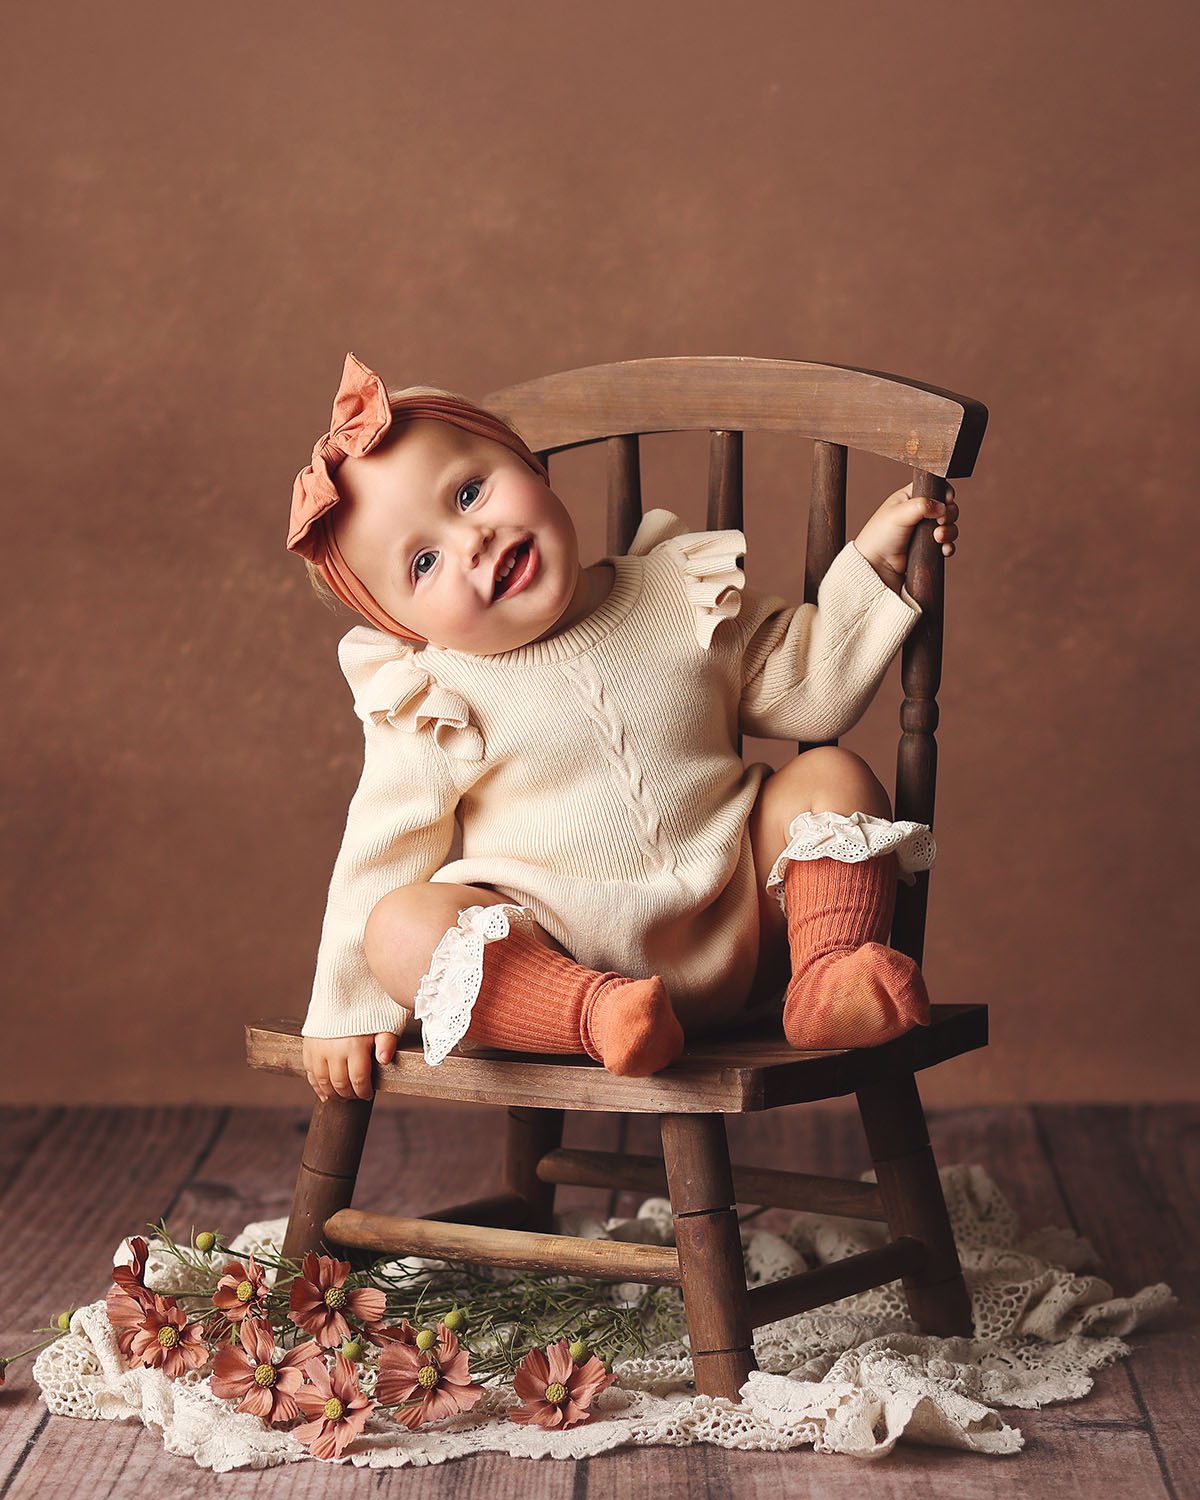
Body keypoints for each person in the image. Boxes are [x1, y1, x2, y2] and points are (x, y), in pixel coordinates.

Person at [288, 353, 960, 1104]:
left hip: (748, 932)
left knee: (832, 774)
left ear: (527, 463)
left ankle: (831, 972)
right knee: (398, 925)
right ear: (402, 626)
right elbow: (381, 851)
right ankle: (599, 1014)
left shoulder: (679, 589)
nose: (470, 540)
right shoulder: (436, 697)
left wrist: (871, 563)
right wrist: (346, 1010)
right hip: (558, 960)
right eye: (422, 563)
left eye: (471, 491)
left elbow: (811, 690)